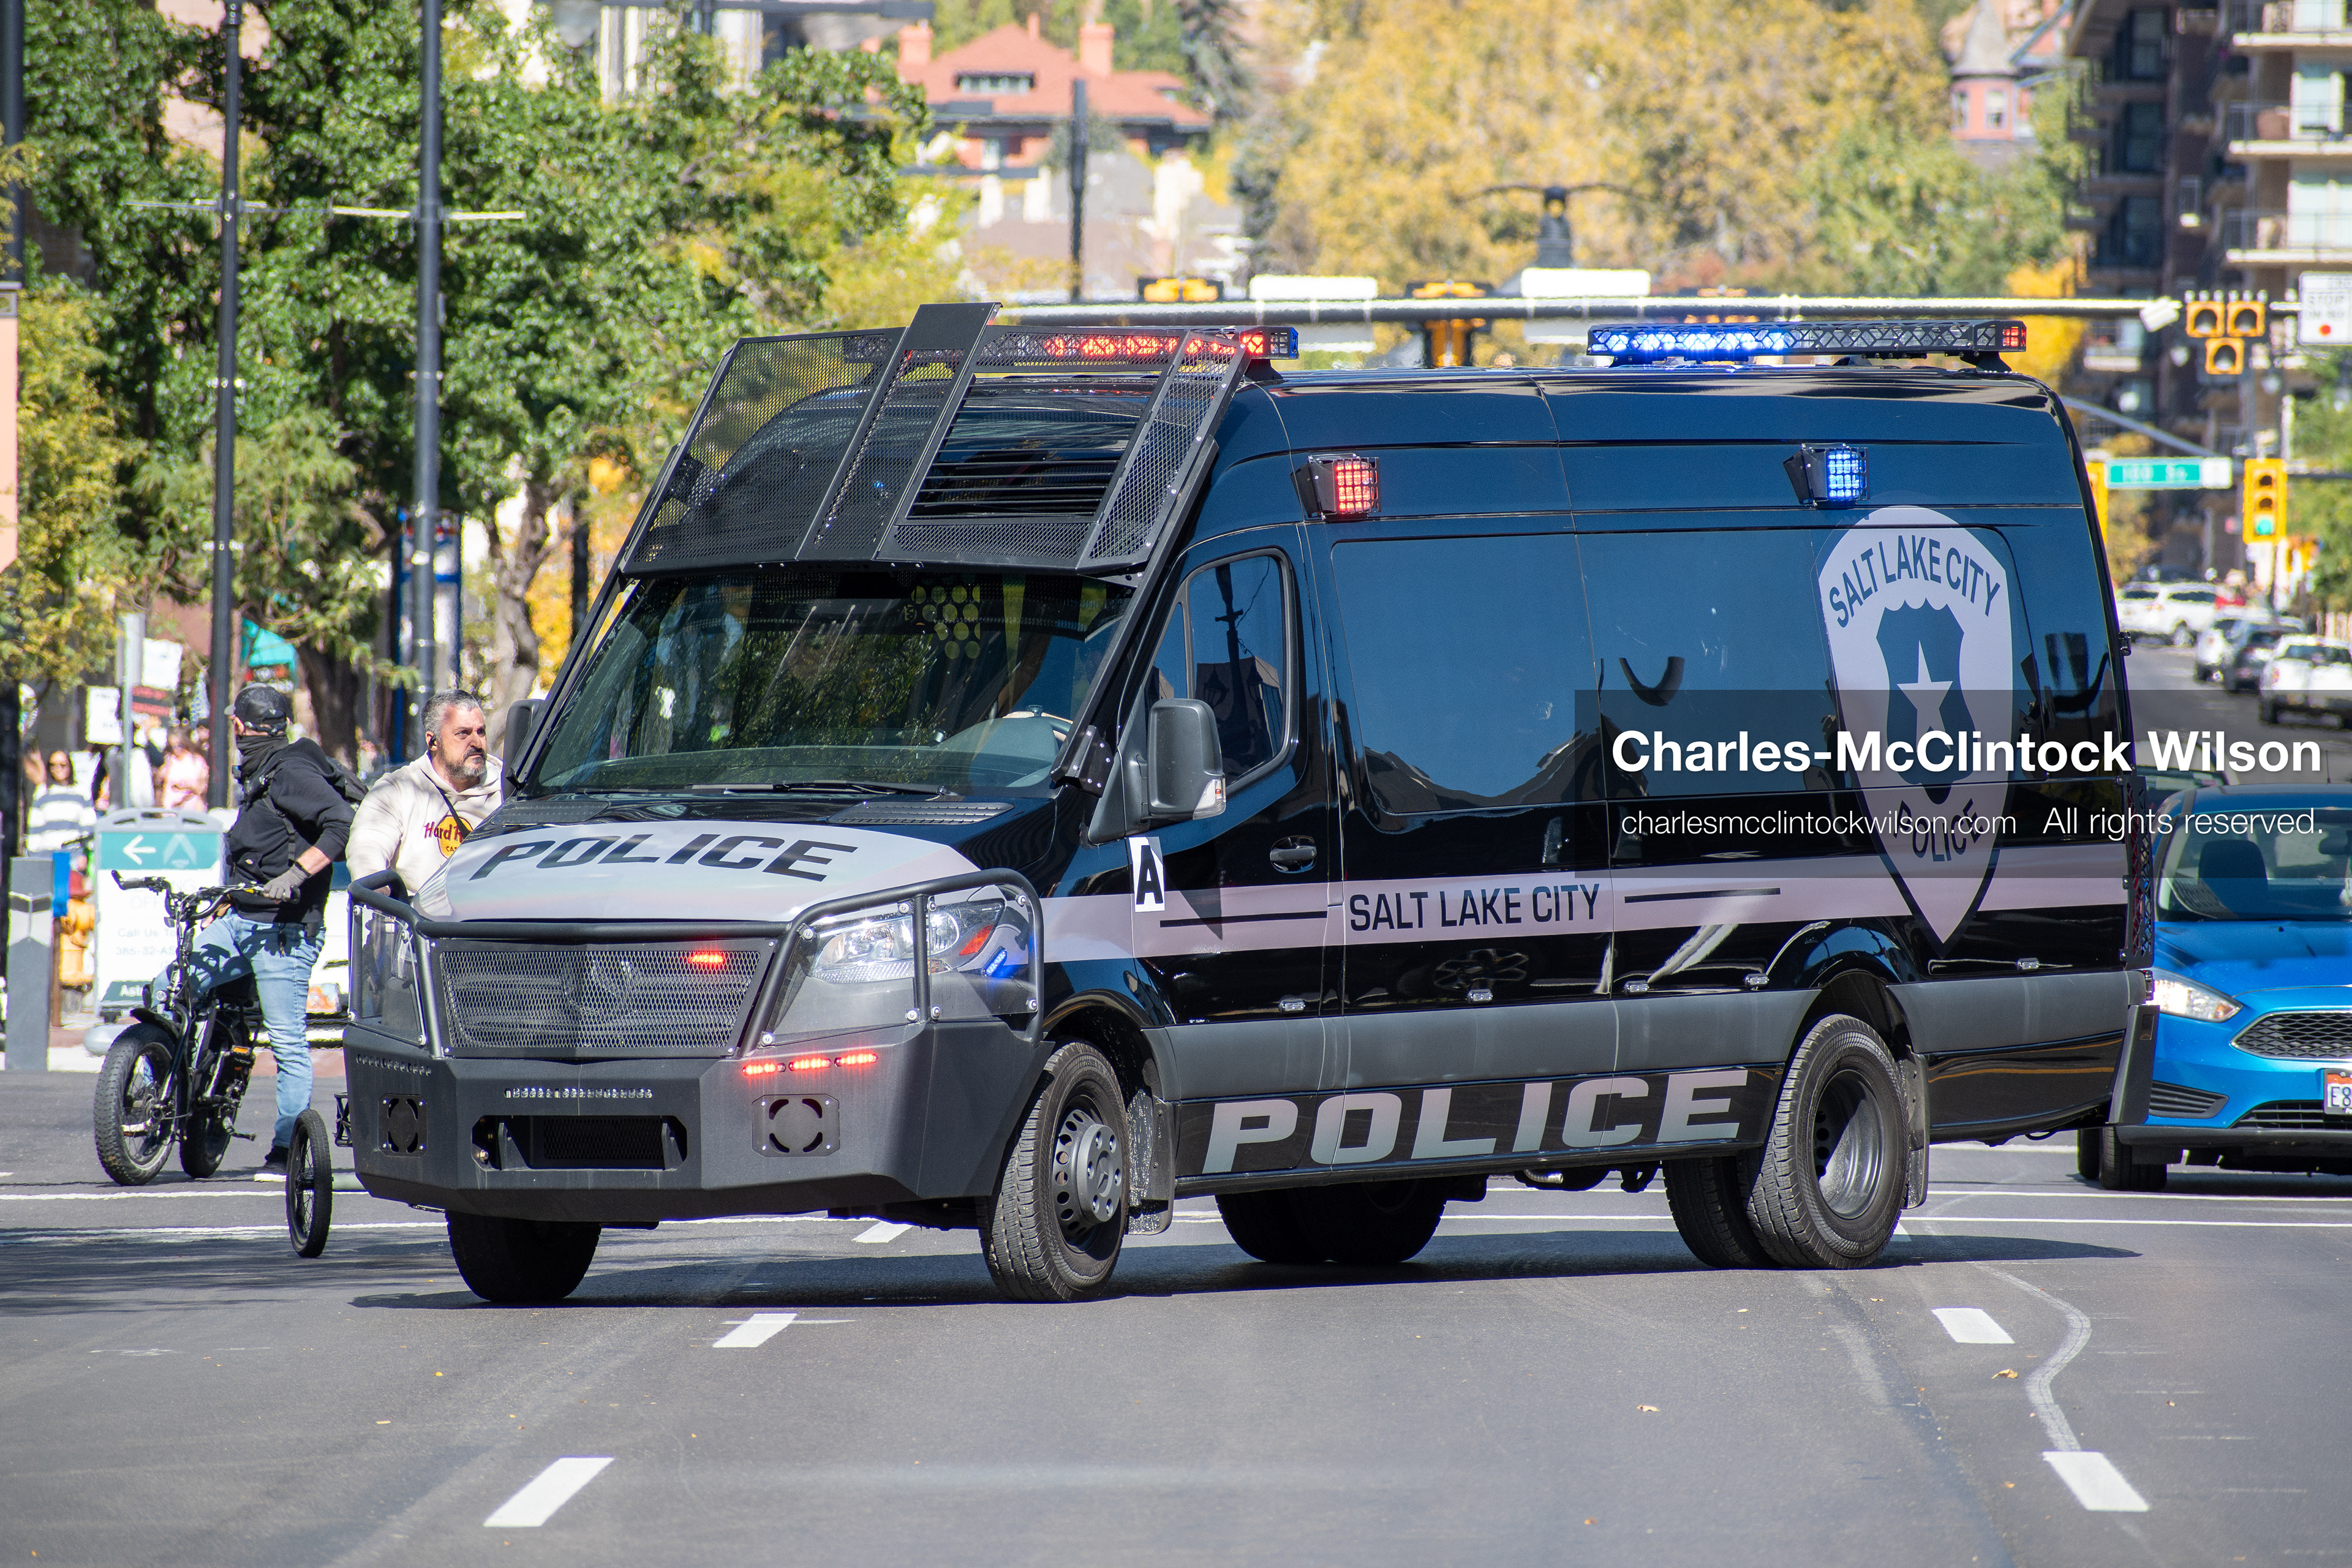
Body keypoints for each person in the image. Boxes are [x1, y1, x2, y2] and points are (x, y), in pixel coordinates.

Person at [166, 684, 355, 1172]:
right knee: (172, 987)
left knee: (289, 1042)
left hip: (285, 933)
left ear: (240, 728)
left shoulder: (289, 770)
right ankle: (181, 1082)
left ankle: (285, 1148)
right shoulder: (260, 770)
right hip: (241, 919)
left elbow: (341, 822)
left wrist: (296, 875)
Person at [347, 691, 503, 892]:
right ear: (433, 741)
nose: (476, 743)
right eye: (463, 733)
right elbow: (366, 850)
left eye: (480, 732)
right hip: (420, 919)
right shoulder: (397, 790)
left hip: (491, 918)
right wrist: (381, 900)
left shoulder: (508, 791)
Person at [24, 750, 96, 856]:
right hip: (47, 855)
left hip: (73, 855)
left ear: (70, 766)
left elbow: (88, 825)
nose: (58, 769)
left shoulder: (81, 792)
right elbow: (35, 824)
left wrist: (84, 853)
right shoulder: (42, 792)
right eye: (53, 765)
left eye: (63, 765)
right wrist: (33, 854)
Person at [157, 726, 210, 810]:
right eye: (172, 746)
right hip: (170, 809)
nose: (176, 749)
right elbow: (159, 780)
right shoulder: (170, 760)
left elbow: (202, 788)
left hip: (190, 808)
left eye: (179, 745)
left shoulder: (196, 761)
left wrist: (187, 786)